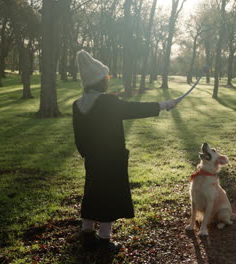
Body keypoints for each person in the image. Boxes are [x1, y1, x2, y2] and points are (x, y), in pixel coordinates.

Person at [72, 50, 177, 252]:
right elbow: (134, 109)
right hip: (112, 159)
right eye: (107, 77)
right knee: (109, 196)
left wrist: (88, 154)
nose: (108, 80)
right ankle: (104, 240)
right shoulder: (108, 102)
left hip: (93, 159)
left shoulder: (78, 104)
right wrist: (165, 104)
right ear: (100, 81)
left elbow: (79, 138)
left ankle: (87, 233)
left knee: (92, 192)